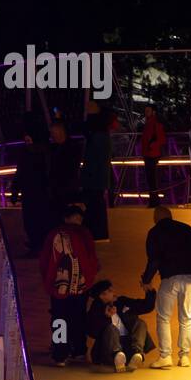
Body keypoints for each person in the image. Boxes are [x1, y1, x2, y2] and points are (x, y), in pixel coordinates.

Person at [141, 206, 191, 369]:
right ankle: (184, 356)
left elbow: (154, 260)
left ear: (156, 217)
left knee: (163, 317)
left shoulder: (154, 232)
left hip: (169, 278)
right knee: (187, 317)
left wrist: (146, 279)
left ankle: (165, 356)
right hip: (190, 278)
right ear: (170, 215)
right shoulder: (187, 230)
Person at [39, 205, 100, 366]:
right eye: (76, 217)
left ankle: (60, 354)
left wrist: (49, 280)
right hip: (80, 286)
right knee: (79, 316)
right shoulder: (84, 234)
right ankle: (78, 350)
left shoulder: (55, 234)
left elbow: (46, 259)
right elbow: (92, 258)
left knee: (59, 318)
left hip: (59, 286)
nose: (78, 220)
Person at [85, 280, 156, 372]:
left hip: (127, 345)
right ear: (102, 296)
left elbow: (146, 306)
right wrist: (106, 317)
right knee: (111, 328)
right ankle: (117, 356)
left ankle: (137, 354)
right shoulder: (96, 308)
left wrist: (149, 291)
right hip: (109, 350)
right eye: (110, 291)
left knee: (140, 323)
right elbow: (92, 332)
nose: (113, 292)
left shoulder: (121, 301)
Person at [10, 129, 51, 255]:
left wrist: (15, 191)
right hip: (39, 192)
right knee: (37, 220)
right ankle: (39, 245)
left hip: (32, 192)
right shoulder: (46, 153)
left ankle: (36, 245)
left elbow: (20, 173)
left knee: (32, 221)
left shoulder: (26, 154)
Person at [79, 101, 113, 242]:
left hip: (94, 176)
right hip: (97, 176)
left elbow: (96, 158)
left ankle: (96, 232)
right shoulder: (100, 131)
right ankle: (97, 232)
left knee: (94, 204)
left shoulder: (98, 133)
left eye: (91, 107)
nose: (87, 109)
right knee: (96, 204)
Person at [45, 120, 82, 224]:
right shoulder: (68, 147)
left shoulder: (65, 149)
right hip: (63, 190)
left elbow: (67, 170)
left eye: (53, 133)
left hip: (64, 191)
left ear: (60, 132)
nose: (51, 136)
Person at [140, 104, 168, 207]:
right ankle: (154, 201)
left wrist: (151, 145)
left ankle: (154, 201)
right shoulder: (151, 123)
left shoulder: (153, 123)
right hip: (150, 153)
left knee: (151, 179)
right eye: (146, 111)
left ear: (153, 112)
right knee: (151, 179)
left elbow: (161, 139)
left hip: (151, 154)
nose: (146, 112)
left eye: (148, 111)